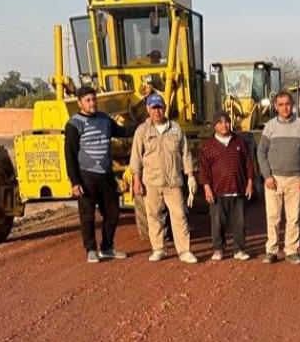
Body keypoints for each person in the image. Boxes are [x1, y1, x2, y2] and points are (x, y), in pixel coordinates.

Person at [130, 94, 199, 264]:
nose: (157, 111)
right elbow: (136, 157)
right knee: (154, 216)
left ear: (165, 108)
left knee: (180, 216)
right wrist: (136, 179)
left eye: (159, 107)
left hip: (173, 182)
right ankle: (159, 249)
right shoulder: (142, 131)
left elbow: (185, 153)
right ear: (148, 109)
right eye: (153, 108)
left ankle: (184, 251)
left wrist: (191, 175)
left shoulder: (176, 129)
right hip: (151, 183)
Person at [64, 86, 127, 263]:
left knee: (113, 212)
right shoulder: (73, 124)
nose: (92, 103)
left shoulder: (104, 119)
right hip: (86, 177)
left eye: (93, 99)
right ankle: (91, 249)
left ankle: (107, 247)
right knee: (88, 216)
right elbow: (70, 155)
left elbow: (122, 132)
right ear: (80, 103)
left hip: (106, 175)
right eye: (88, 100)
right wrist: (75, 182)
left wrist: (144, 125)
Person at [257, 91, 300, 264]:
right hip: (274, 180)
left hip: (295, 179)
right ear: (275, 107)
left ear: (293, 104)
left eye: (287, 104)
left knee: (293, 218)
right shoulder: (270, 126)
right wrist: (267, 175)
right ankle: (271, 250)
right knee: (273, 217)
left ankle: (291, 251)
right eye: (280, 105)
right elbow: (261, 152)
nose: (284, 108)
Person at [199, 111, 254, 261]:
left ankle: (239, 250)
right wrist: (206, 187)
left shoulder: (239, 142)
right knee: (218, 224)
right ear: (214, 125)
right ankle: (218, 249)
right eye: (220, 122)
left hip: (238, 189)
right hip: (218, 192)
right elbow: (204, 169)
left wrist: (250, 182)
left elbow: (248, 163)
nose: (224, 125)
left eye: (227, 121)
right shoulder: (208, 146)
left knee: (239, 223)